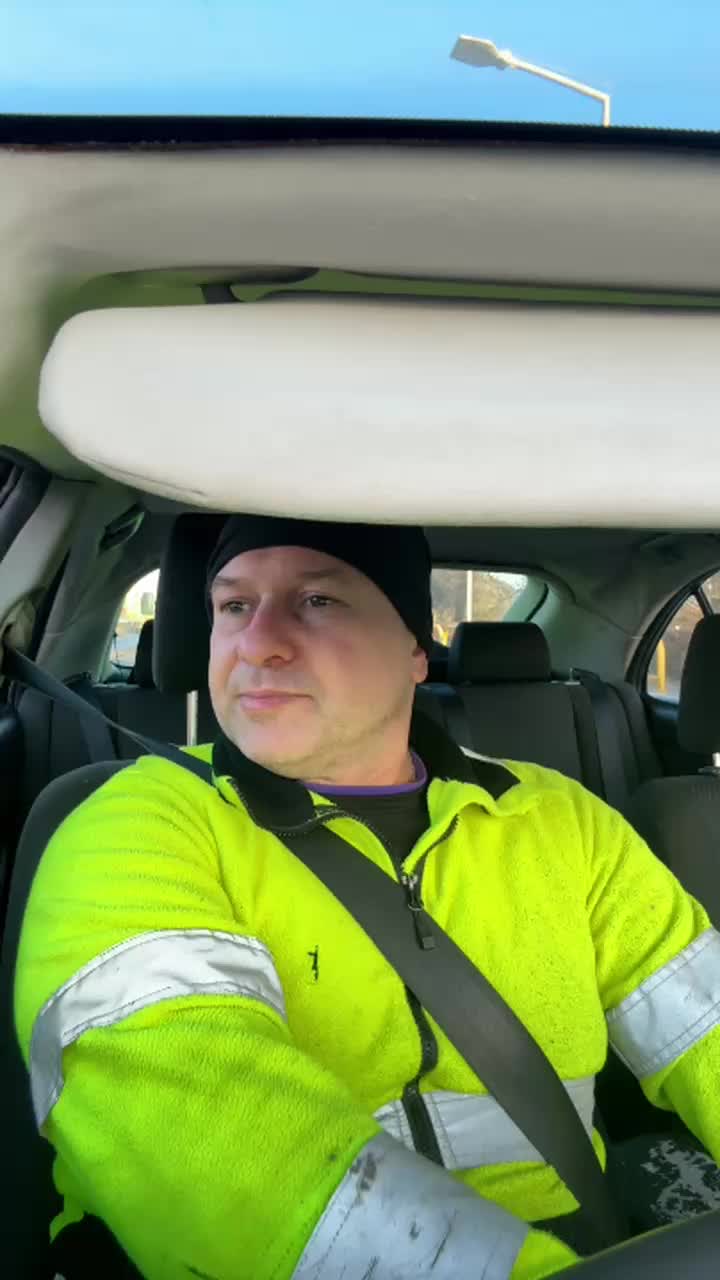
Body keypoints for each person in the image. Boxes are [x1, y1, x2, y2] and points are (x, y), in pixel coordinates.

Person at [14, 515, 720, 1280]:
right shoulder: (135, 825)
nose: (258, 643)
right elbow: (199, 1133)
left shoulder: (559, 819)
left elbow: (706, 1023)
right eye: (234, 606)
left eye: (317, 601)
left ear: (415, 649)